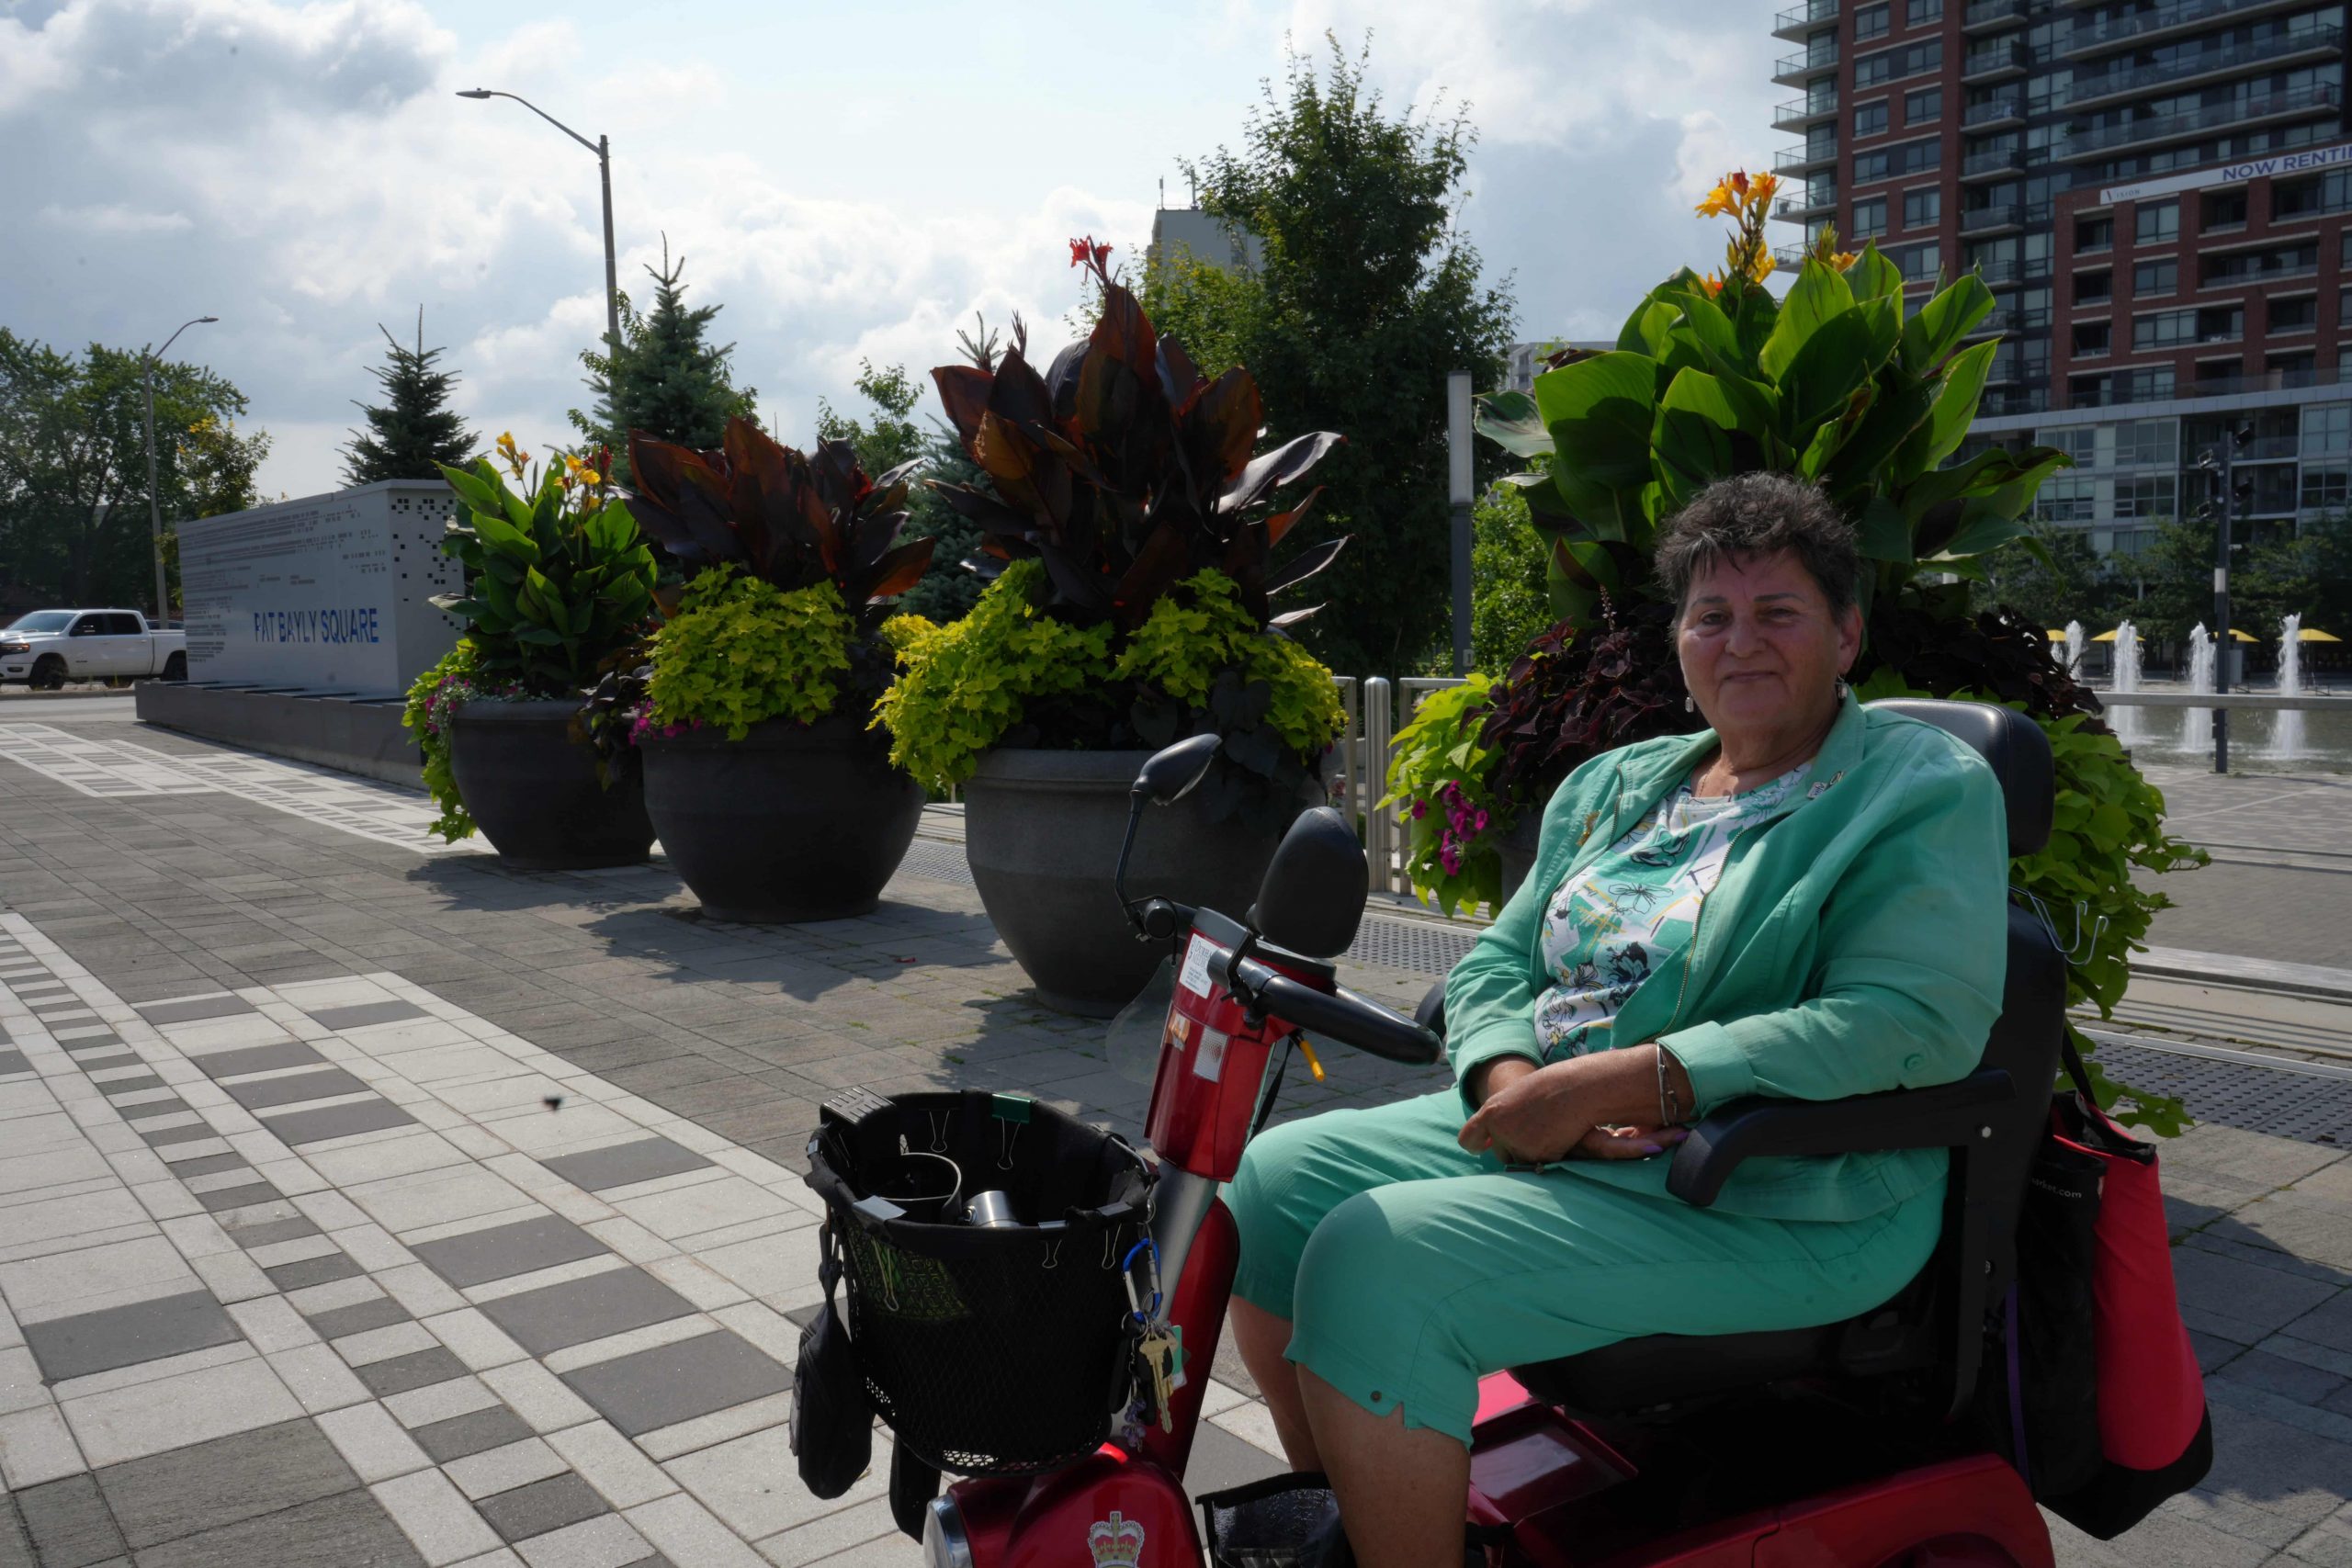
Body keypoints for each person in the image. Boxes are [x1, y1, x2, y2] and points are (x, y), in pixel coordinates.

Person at [1224, 471, 2010, 1568]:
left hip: (1777, 1192)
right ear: (1679, 641)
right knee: (1266, 1186)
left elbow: (1907, 1022)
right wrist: (1506, 1083)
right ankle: (1355, 1511)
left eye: (1777, 612)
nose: (1740, 642)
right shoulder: (1620, 782)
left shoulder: (1921, 788)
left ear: (1846, 632)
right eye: (1710, 615)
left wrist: (1620, 1083)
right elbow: (1501, 957)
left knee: (1374, 1258)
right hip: (1569, 1131)